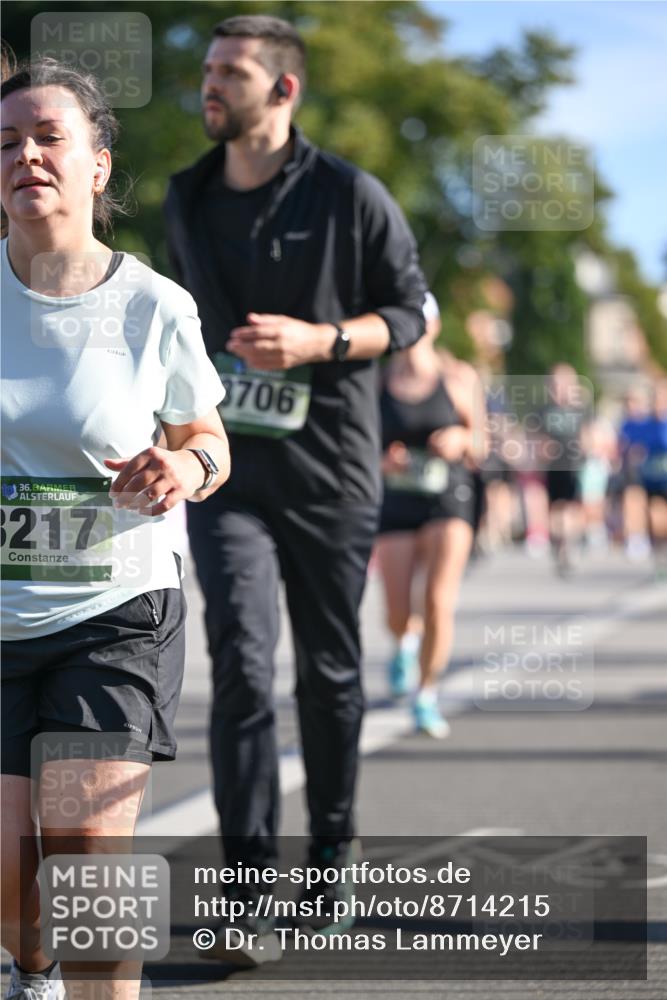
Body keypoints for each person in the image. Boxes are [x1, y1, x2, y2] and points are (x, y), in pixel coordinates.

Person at [163, 14, 426, 963]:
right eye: (207, 69)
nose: (210, 85)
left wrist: (321, 342)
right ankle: (246, 893)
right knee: (238, 661)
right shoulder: (185, 195)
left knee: (328, 671)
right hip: (228, 468)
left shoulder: (352, 194)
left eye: (231, 72)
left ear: (283, 91)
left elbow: (413, 310)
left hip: (331, 472)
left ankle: (330, 847)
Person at [1, 59, 229, 1000]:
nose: (24, 155)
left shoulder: (153, 306)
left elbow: (209, 440)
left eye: (48, 136)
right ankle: (31, 965)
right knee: (17, 882)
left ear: (98, 163)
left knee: (90, 858)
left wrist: (184, 466)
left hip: (116, 604)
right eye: (6, 143)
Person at [374, 293, 486, 736]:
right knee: (398, 611)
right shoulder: (378, 380)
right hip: (398, 500)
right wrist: (385, 460)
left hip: (449, 496)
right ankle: (405, 642)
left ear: (435, 326)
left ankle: (426, 693)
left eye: (422, 319)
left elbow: (481, 445)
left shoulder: (458, 376)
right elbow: (361, 446)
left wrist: (460, 439)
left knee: (439, 601)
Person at [539, 363, 588, 574]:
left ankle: (569, 545)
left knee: (573, 507)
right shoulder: (544, 411)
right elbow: (536, 438)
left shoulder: (580, 409)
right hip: (553, 466)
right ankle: (560, 544)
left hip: (575, 465)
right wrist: (543, 448)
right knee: (557, 507)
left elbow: (588, 434)